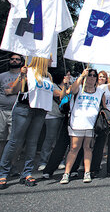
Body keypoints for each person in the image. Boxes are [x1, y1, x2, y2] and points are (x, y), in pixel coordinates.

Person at [0, 56, 62, 188]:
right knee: (14, 141)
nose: (52, 60)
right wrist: (21, 77)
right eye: (49, 58)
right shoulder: (27, 70)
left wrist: (70, 88)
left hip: (39, 111)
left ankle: (27, 173)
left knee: (32, 143)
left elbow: (55, 93)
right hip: (24, 108)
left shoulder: (48, 76)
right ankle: (3, 173)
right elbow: (14, 90)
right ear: (42, 59)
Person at [60, 68, 106, 184]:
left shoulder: (100, 91)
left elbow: (104, 108)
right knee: (74, 148)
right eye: (89, 75)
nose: (91, 77)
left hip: (91, 125)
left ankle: (87, 172)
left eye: (93, 75)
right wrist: (81, 76)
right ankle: (66, 173)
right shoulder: (79, 88)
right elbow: (71, 90)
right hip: (77, 124)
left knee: (88, 148)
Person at [37, 71, 70, 171]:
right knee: (50, 139)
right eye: (67, 75)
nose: (69, 77)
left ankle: (60, 160)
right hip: (53, 115)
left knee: (60, 140)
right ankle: (43, 161)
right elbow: (61, 96)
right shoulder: (53, 86)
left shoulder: (69, 86)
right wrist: (66, 86)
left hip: (64, 116)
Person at [0, 53, 23, 159]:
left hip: (17, 111)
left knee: (13, 140)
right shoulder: (2, 76)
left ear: (21, 62)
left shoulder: (24, 77)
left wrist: (12, 91)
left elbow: (19, 91)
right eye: (12, 59)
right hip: (2, 111)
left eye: (17, 59)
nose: (14, 61)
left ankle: (11, 165)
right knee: (1, 138)